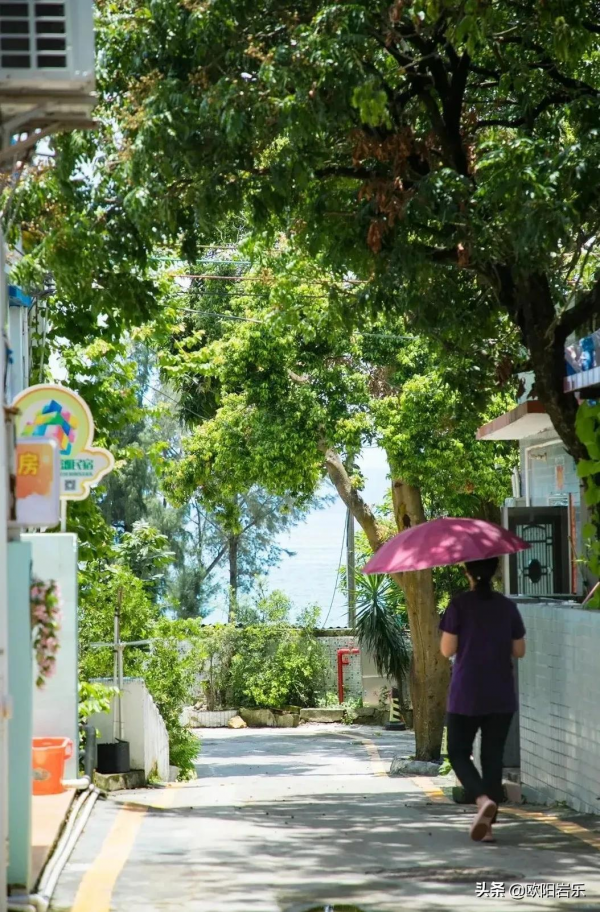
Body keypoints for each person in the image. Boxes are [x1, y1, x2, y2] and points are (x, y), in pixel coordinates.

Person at [439, 556, 526, 843]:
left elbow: (446, 649)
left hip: (467, 693)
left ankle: (481, 801)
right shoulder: (507, 607)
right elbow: (519, 650)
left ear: (467, 572)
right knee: (492, 759)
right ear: (495, 571)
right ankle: (487, 827)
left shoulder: (459, 605)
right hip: (501, 693)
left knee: (458, 751)